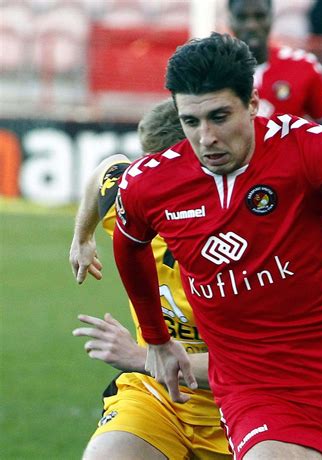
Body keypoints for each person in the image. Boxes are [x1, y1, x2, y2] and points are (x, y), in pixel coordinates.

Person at [112, 33, 322, 459]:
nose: (206, 137)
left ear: (252, 103)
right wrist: (156, 338)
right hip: (259, 390)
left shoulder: (304, 145)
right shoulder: (151, 182)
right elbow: (129, 244)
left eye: (219, 116)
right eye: (190, 122)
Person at [70, 99, 231, 459]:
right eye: (144, 164)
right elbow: (107, 170)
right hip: (157, 397)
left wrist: (140, 355)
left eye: (156, 168)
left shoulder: (245, 252)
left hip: (243, 408)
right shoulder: (133, 202)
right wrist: (83, 237)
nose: (140, 178)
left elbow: (253, 367)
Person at [228, 0, 322, 123]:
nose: (251, 25)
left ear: (272, 18)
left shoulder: (304, 65)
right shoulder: (214, 70)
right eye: (241, 17)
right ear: (230, 20)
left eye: (259, 16)